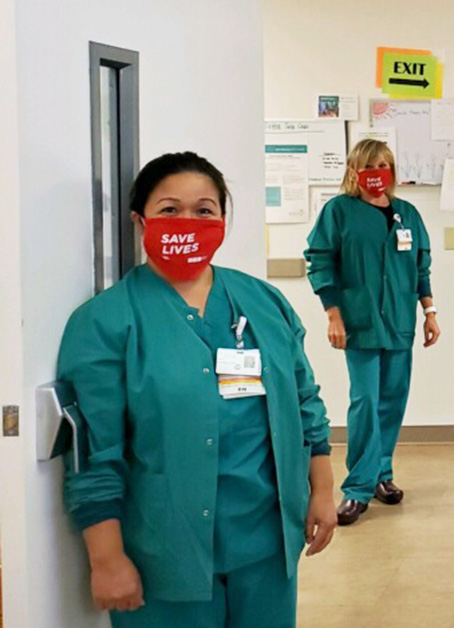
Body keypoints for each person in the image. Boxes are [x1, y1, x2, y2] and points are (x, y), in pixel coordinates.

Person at [58, 152, 336, 628]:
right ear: (138, 220)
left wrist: (322, 490)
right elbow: (93, 455)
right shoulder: (105, 321)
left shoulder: (263, 302)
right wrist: (106, 560)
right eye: (169, 210)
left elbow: (304, 400)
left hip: (266, 546)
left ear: (222, 220)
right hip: (164, 557)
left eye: (204, 210)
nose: (187, 221)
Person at [305, 139, 440, 526]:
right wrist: (333, 315)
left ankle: (382, 474)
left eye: (385, 165)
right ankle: (357, 489)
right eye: (370, 165)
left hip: (400, 323)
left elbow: (421, 267)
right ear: (353, 170)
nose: (378, 172)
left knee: (393, 400)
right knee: (365, 401)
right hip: (360, 323)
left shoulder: (407, 214)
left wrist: (429, 312)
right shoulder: (339, 212)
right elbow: (319, 261)